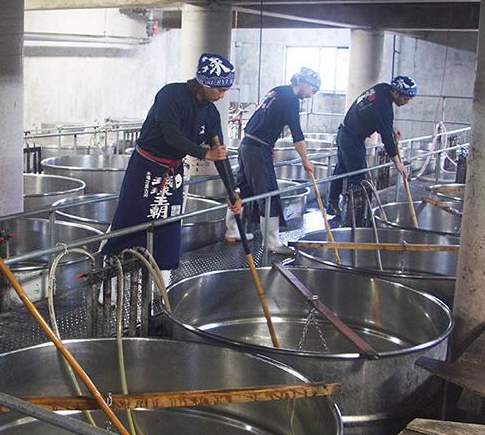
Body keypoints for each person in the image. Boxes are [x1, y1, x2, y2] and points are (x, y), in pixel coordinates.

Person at [101, 53, 242, 284]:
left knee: (168, 225)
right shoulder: (171, 95)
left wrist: (232, 191)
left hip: (173, 171)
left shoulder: (210, 112)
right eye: (219, 90)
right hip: (147, 167)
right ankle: (111, 284)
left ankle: (162, 286)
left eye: (226, 90)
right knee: (130, 221)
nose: (222, 94)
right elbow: (171, 136)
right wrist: (204, 153)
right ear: (204, 84)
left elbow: (220, 152)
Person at [226, 67, 321, 253]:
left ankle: (233, 230)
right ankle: (272, 243)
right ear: (304, 83)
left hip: (246, 145)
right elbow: (297, 133)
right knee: (268, 194)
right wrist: (305, 160)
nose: (312, 95)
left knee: (242, 189)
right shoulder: (291, 100)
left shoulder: (278, 91)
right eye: (313, 90)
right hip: (258, 149)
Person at [326, 76, 417, 214]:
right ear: (396, 92)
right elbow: (386, 137)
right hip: (352, 139)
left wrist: (390, 128)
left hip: (344, 132)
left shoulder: (383, 88)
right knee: (358, 178)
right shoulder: (384, 105)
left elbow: (378, 117)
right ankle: (356, 216)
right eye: (405, 98)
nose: (406, 102)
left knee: (342, 170)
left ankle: (332, 205)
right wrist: (398, 162)